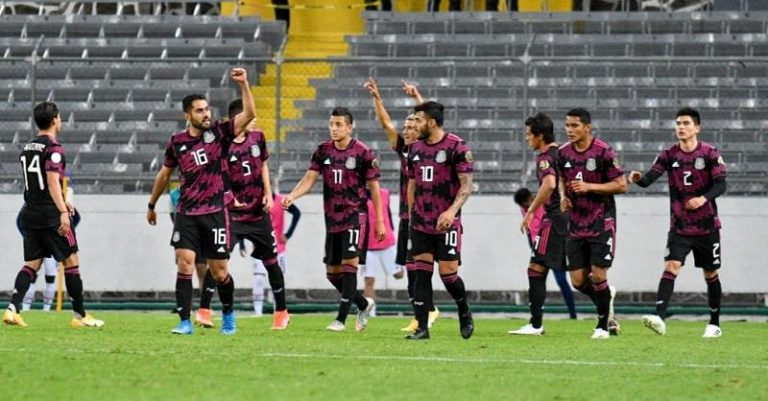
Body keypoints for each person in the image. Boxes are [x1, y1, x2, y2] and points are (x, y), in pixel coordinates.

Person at [146, 67, 255, 335]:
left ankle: (228, 314)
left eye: (207, 109)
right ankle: (184, 321)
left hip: (215, 212)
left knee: (219, 273)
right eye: (199, 111)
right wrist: (151, 204)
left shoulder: (218, 133)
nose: (206, 114)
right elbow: (164, 174)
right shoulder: (177, 142)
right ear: (188, 115)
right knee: (184, 263)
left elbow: (249, 114)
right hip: (187, 212)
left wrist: (244, 84)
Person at [282, 107, 385, 332]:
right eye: (331, 124)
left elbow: (374, 189)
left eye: (339, 125)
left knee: (349, 266)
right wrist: (292, 196)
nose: (334, 128)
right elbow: (309, 179)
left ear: (349, 127)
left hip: (356, 216)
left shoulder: (363, 152)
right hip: (333, 219)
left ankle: (340, 320)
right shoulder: (323, 151)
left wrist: (379, 221)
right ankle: (363, 304)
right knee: (332, 273)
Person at [3, 101, 104, 329]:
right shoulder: (54, 149)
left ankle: (12, 309)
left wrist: (62, 199)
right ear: (55, 120)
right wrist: (63, 211)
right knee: (71, 260)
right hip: (50, 214)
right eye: (59, 117)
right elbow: (51, 181)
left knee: (32, 263)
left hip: (30, 211)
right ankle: (80, 315)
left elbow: (38, 182)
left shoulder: (28, 147)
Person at [629, 107, 727, 338]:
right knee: (671, 266)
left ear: (697, 128)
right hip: (680, 227)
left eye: (686, 123)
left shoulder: (710, 153)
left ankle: (714, 324)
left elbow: (721, 184)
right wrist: (638, 178)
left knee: (710, 273)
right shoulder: (668, 154)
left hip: (707, 227)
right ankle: (659, 318)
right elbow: (648, 179)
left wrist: (702, 199)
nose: (681, 127)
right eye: (678, 123)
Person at [363, 77, 440, 332]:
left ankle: (426, 312)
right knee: (410, 267)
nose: (406, 130)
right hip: (406, 216)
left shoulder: (426, 148)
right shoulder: (404, 150)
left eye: (411, 126)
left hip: (425, 215)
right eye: (405, 127)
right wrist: (377, 98)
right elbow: (385, 123)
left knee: (420, 267)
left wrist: (417, 98)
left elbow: (429, 120)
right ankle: (423, 312)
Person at [405, 101, 474, 340]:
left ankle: (464, 310)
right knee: (422, 273)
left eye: (419, 120)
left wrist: (451, 212)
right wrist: (411, 214)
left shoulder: (457, 147)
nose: (415, 124)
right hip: (420, 223)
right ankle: (422, 328)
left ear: (432, 123)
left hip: (447, 223)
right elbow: (412, 184)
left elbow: (466, 185)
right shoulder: (414, 149)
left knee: (448, 275)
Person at [558, 108, 627, 339]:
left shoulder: (603, 151)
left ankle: (601, 326)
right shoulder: (563, 152)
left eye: (574, 126)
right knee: (578, 281)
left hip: (601, 221)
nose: (569, 130)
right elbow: (561, 178)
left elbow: (621, 184)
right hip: (576, 223)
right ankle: (607, 304)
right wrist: (563, 197)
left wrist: (590, 187)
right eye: (567, 125)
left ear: (587, 127)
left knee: (598, 276)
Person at [224, 98, 290, 330]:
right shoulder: (223, 144)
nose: (254, 120)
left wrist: (269, 194)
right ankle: (207, 310)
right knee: (219, 260)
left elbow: (263, 165)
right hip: (232, 215)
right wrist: (229, 197)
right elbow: (219, 175)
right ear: (238, 119)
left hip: (258, 214)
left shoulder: (258, 138)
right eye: (250, 117)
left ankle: (281, 312)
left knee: (271, 262)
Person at [510, 186, 577, 335]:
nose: (525, 207)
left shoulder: (542, 203)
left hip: (551, 244)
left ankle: (573, 313)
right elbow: (530, 231)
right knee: (537, 281)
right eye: (522, 206)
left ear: (530, 198)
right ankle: (536, 320)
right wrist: (533, 246)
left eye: (525, 204)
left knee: (563, 281)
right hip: (539, 245)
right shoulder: (526, 209)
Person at [241, 191, 301, 316]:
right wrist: (242, 242)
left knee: (277, 278)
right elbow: (243, 219)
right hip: (260, 247)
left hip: (278, 248)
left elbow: (296, 213)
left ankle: (278, 310)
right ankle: (258, 312)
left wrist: (288, 234)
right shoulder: (256, 201)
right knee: (258, 278)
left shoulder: (281, 200)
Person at [168, 181, 218, 327]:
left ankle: (205, 306)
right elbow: (173, 215)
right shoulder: (173, 195)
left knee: (202, 271)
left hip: (201, 236)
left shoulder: (200, 189)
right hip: (185, 234)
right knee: (184, 270)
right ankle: (185, 307)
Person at [360, 187, 404, 316]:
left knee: (398, 275)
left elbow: (388, 214)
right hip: (368, 247)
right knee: (369, 280)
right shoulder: (358, 197)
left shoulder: (385, 193)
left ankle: (403, 266)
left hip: (387, 243)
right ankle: (370, 313)